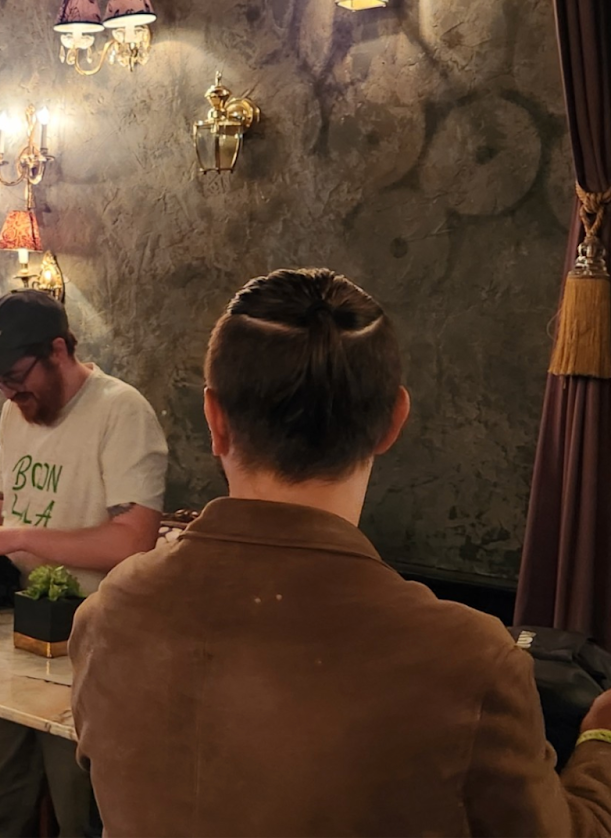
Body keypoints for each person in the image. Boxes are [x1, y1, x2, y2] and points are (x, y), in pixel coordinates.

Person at [67, 267, 611, 837]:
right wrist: (600, 740)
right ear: (392, 421)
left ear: (215, 419)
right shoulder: (469, 660)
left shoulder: (107, 616)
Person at [0, 289, 168, 838]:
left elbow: (133, 541)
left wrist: (11, 538)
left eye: (14, 376)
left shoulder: (120, 411)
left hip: (97, 636)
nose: (8, 393)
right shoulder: (18, 412)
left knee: (77, 807)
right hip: (23, 625)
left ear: (58, 350)